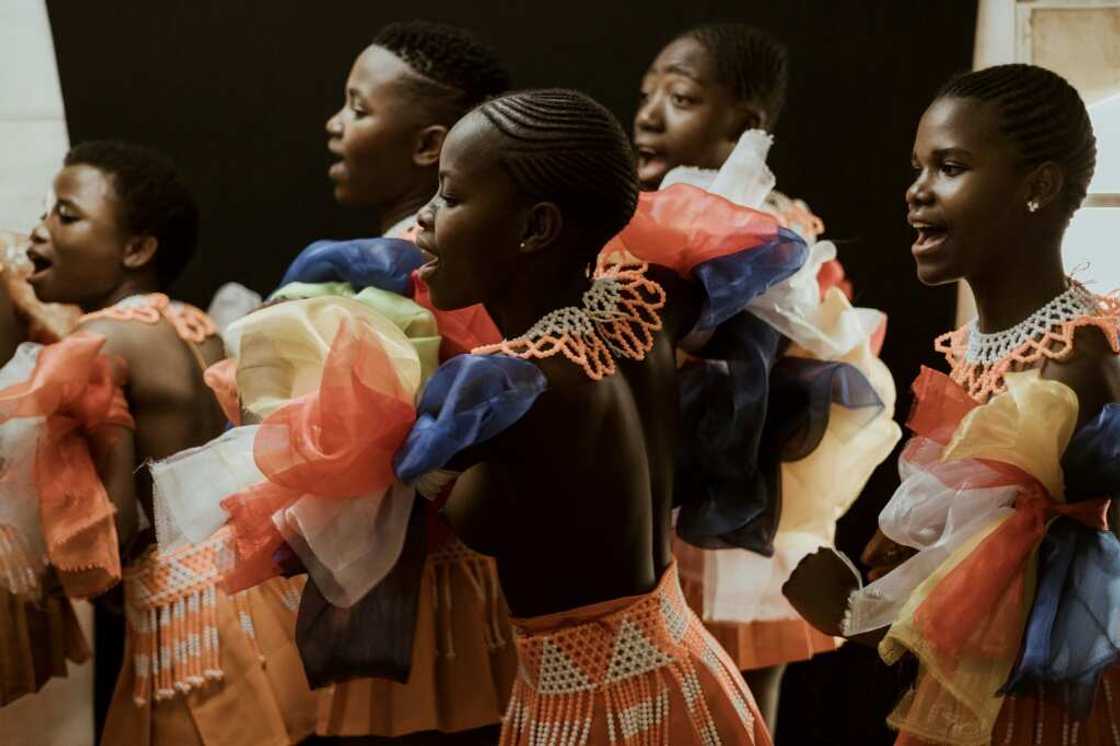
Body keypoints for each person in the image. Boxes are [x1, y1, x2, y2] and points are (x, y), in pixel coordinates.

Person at [185, 22, 516, 745]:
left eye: (359, 109)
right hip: (479, 588)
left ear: (430, 145)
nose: (335, 125)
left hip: (404, 599)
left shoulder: (384, 274)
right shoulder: (499, 260)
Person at [785, 64, 1120, 745]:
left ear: (1039, 186)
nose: (916, 192)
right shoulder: (983, 348)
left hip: (1043, 715)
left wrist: (851, 614)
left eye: (950, 167)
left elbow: (998, 600)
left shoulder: (1064, 369)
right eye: (918, 168)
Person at [0, 141, 315, 744]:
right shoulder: (193, 326)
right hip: (261, 597)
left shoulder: (96, 344)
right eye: (44, 213)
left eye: (66, 215)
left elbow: (111, 532)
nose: (39, 231)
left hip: (190, 618)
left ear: (136, 249)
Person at [634, 22, 899, 731]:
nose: (648, 114)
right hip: (656, 489)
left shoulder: (770, 230)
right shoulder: (639, 220)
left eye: (681, 97)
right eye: (647, 93)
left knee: (746, 699)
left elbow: (820, 364)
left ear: (744, 124)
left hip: (746, 500)